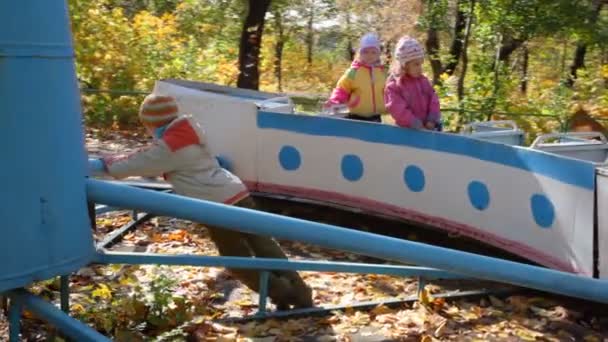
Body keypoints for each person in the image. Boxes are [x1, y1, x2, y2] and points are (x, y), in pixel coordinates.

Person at [89, 94, 313, 310]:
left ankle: (282, 292)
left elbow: (138, 162)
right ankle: (302, 293)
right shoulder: (189, 132)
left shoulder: (170, 148)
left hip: (216, 206)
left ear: (153, 123)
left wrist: (103, 164)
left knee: (237, 260)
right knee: (265, 246)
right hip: (236, 192)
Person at [324, 33, 387, 122]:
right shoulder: (353, 72)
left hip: (376, 117)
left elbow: (388, 92)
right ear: (360, 53)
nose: (369, 55)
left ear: (378, 54)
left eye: (373, 52)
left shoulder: (382, 72)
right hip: (356, 116)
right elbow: (342, 89)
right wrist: (335, 101)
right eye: (365, 52)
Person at [384, 36, 442, 130]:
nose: (420, 68)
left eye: (421, 63)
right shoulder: (394, 86)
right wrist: (415, 124)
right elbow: (397, 109)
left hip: (429, 127)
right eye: (416, 64)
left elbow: (433, 99)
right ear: (404, 65)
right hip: (408, 132)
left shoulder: (423, 81)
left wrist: (431, 119)